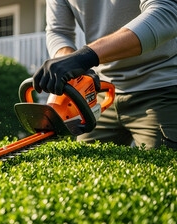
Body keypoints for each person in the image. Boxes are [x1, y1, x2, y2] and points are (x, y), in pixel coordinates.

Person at [32, 0, 177, 150]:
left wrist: (84, 57)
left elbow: (165, 12)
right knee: (83, 166)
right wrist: (70, 63)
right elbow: (58, 31)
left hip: (160, 86)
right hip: (101, 93)